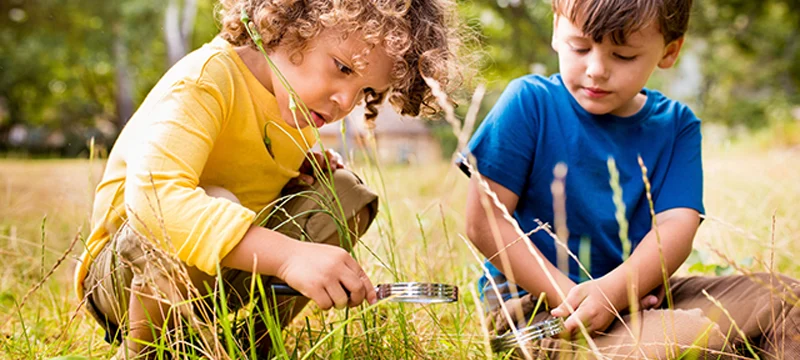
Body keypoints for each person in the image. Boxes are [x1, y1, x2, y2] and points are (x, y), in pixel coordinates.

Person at [75, 0, 461, 358]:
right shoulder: (205, 80)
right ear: (287, 24)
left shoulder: (294, 106)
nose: (345, 101)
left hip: (218, 279)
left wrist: (298, 171)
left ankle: (248, 347)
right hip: (126, 280)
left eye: (365, 91)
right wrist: (291, 256)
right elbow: (155, 201)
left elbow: (245, 162)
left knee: (344, 193)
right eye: (343, 68)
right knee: (211, 196)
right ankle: (149, 351)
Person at [463, 0, 800, 358]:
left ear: (669, 51)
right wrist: (584, 301)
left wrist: (617, 292)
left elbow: (676, 226)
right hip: (542, 310)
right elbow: (484, 221)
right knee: (685, 336)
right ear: (556, 32)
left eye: (622, 56)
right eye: (580, 47)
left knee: (787, 301)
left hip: (638, 298)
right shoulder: (529, 103)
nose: (596, 69)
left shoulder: (676, 125)